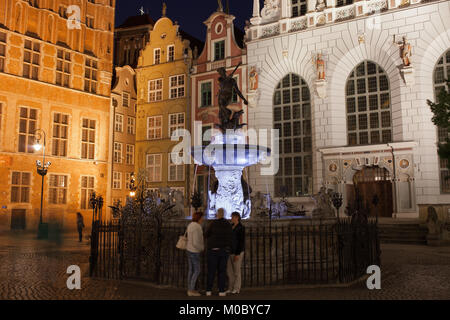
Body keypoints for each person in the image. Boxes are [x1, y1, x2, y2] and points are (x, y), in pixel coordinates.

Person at [205, 208, 232, 296]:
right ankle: (221, 290)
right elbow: (230, 236)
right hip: (223, 250)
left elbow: (206, 234)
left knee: (211, 271)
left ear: (217, 214)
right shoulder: (227, 224)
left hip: (213, 250)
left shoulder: (213, 223)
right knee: (222, 271)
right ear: (224, 214)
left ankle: (209, 290)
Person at [186, 211, 205, 297]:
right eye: (202, 218)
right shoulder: (197, 227)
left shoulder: (190, 225)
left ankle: (189, 288)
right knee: (197, 270)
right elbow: (196, 242)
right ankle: (191, 290)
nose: (203, 219)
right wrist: (201, 248)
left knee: (191, 270)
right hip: (194, 251)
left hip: (189, 249)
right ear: (199, 218)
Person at [226, 212, 245, 294]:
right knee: (229, 271)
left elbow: (241, 242)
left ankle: (237, 288)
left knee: (237, 271)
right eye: (231, 217)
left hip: (237, 252)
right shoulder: (230, 226)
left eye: (233, 217)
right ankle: (230, 287)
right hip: (230, 251)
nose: (231, 218)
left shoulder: (241, 228)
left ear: (237, 217)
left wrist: (237, 254)